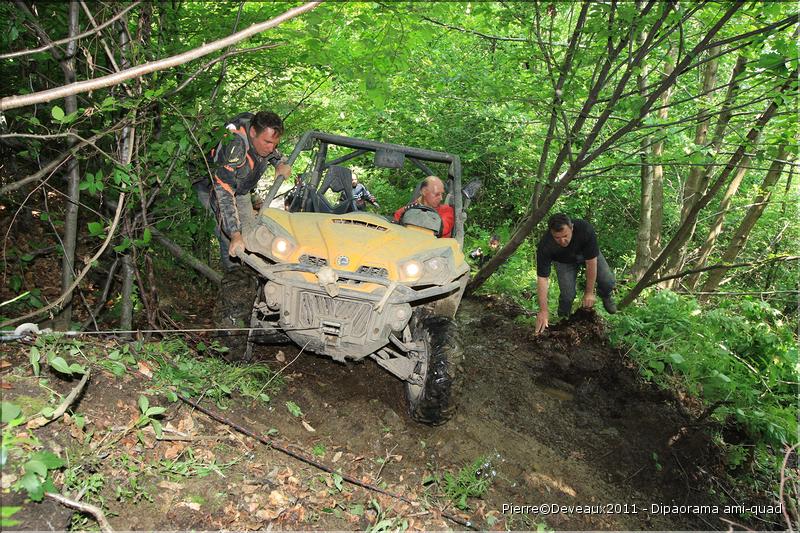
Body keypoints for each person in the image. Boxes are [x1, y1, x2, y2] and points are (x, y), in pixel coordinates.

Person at [194, 110, 292, 270]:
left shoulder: (259, 129)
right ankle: (235, 280)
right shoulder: (234, 145)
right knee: (230, 239)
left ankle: (252, 272)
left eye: (275, 144)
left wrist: (279, 162)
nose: (271, 148)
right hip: (212, 189)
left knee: (251, 233)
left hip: (240, 189)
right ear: (252, 132)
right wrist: (234, 233)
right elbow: (223, 193)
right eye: (267, 142)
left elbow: (271, 148)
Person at [534, 213, 616, 334]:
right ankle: (563, 318)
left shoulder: (585, 229)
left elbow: (591, 263)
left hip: (587, 255)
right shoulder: (545, 245)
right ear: (551, 233)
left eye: (565, 235)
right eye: (557, 238)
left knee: (607, 280)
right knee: (567, 295)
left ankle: (606, 295)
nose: (562, 241)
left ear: (572, 227)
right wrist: (543, 310)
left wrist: (589, 293)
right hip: (564, 262)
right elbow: (542, 278)